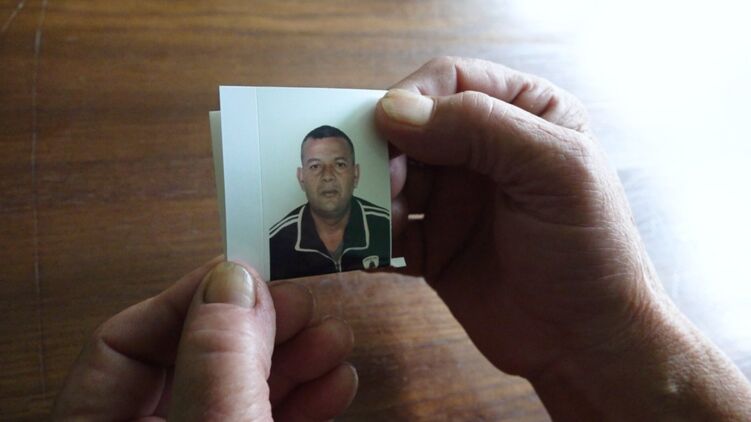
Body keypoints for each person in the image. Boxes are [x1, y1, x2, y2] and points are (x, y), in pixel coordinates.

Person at [53, 57, 751, 421]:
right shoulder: (282, 236)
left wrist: (605, 341)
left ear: (358, 172)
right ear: (298, 176)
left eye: (339, 166)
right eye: (315, 168)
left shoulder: (374, 230)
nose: (329, 179)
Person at [269, 125, 390, 280]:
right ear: (301, 177)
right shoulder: (276, 242)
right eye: (315, 166)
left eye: (339, 164)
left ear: (355, 174)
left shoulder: (386, 226)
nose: (327, 176)